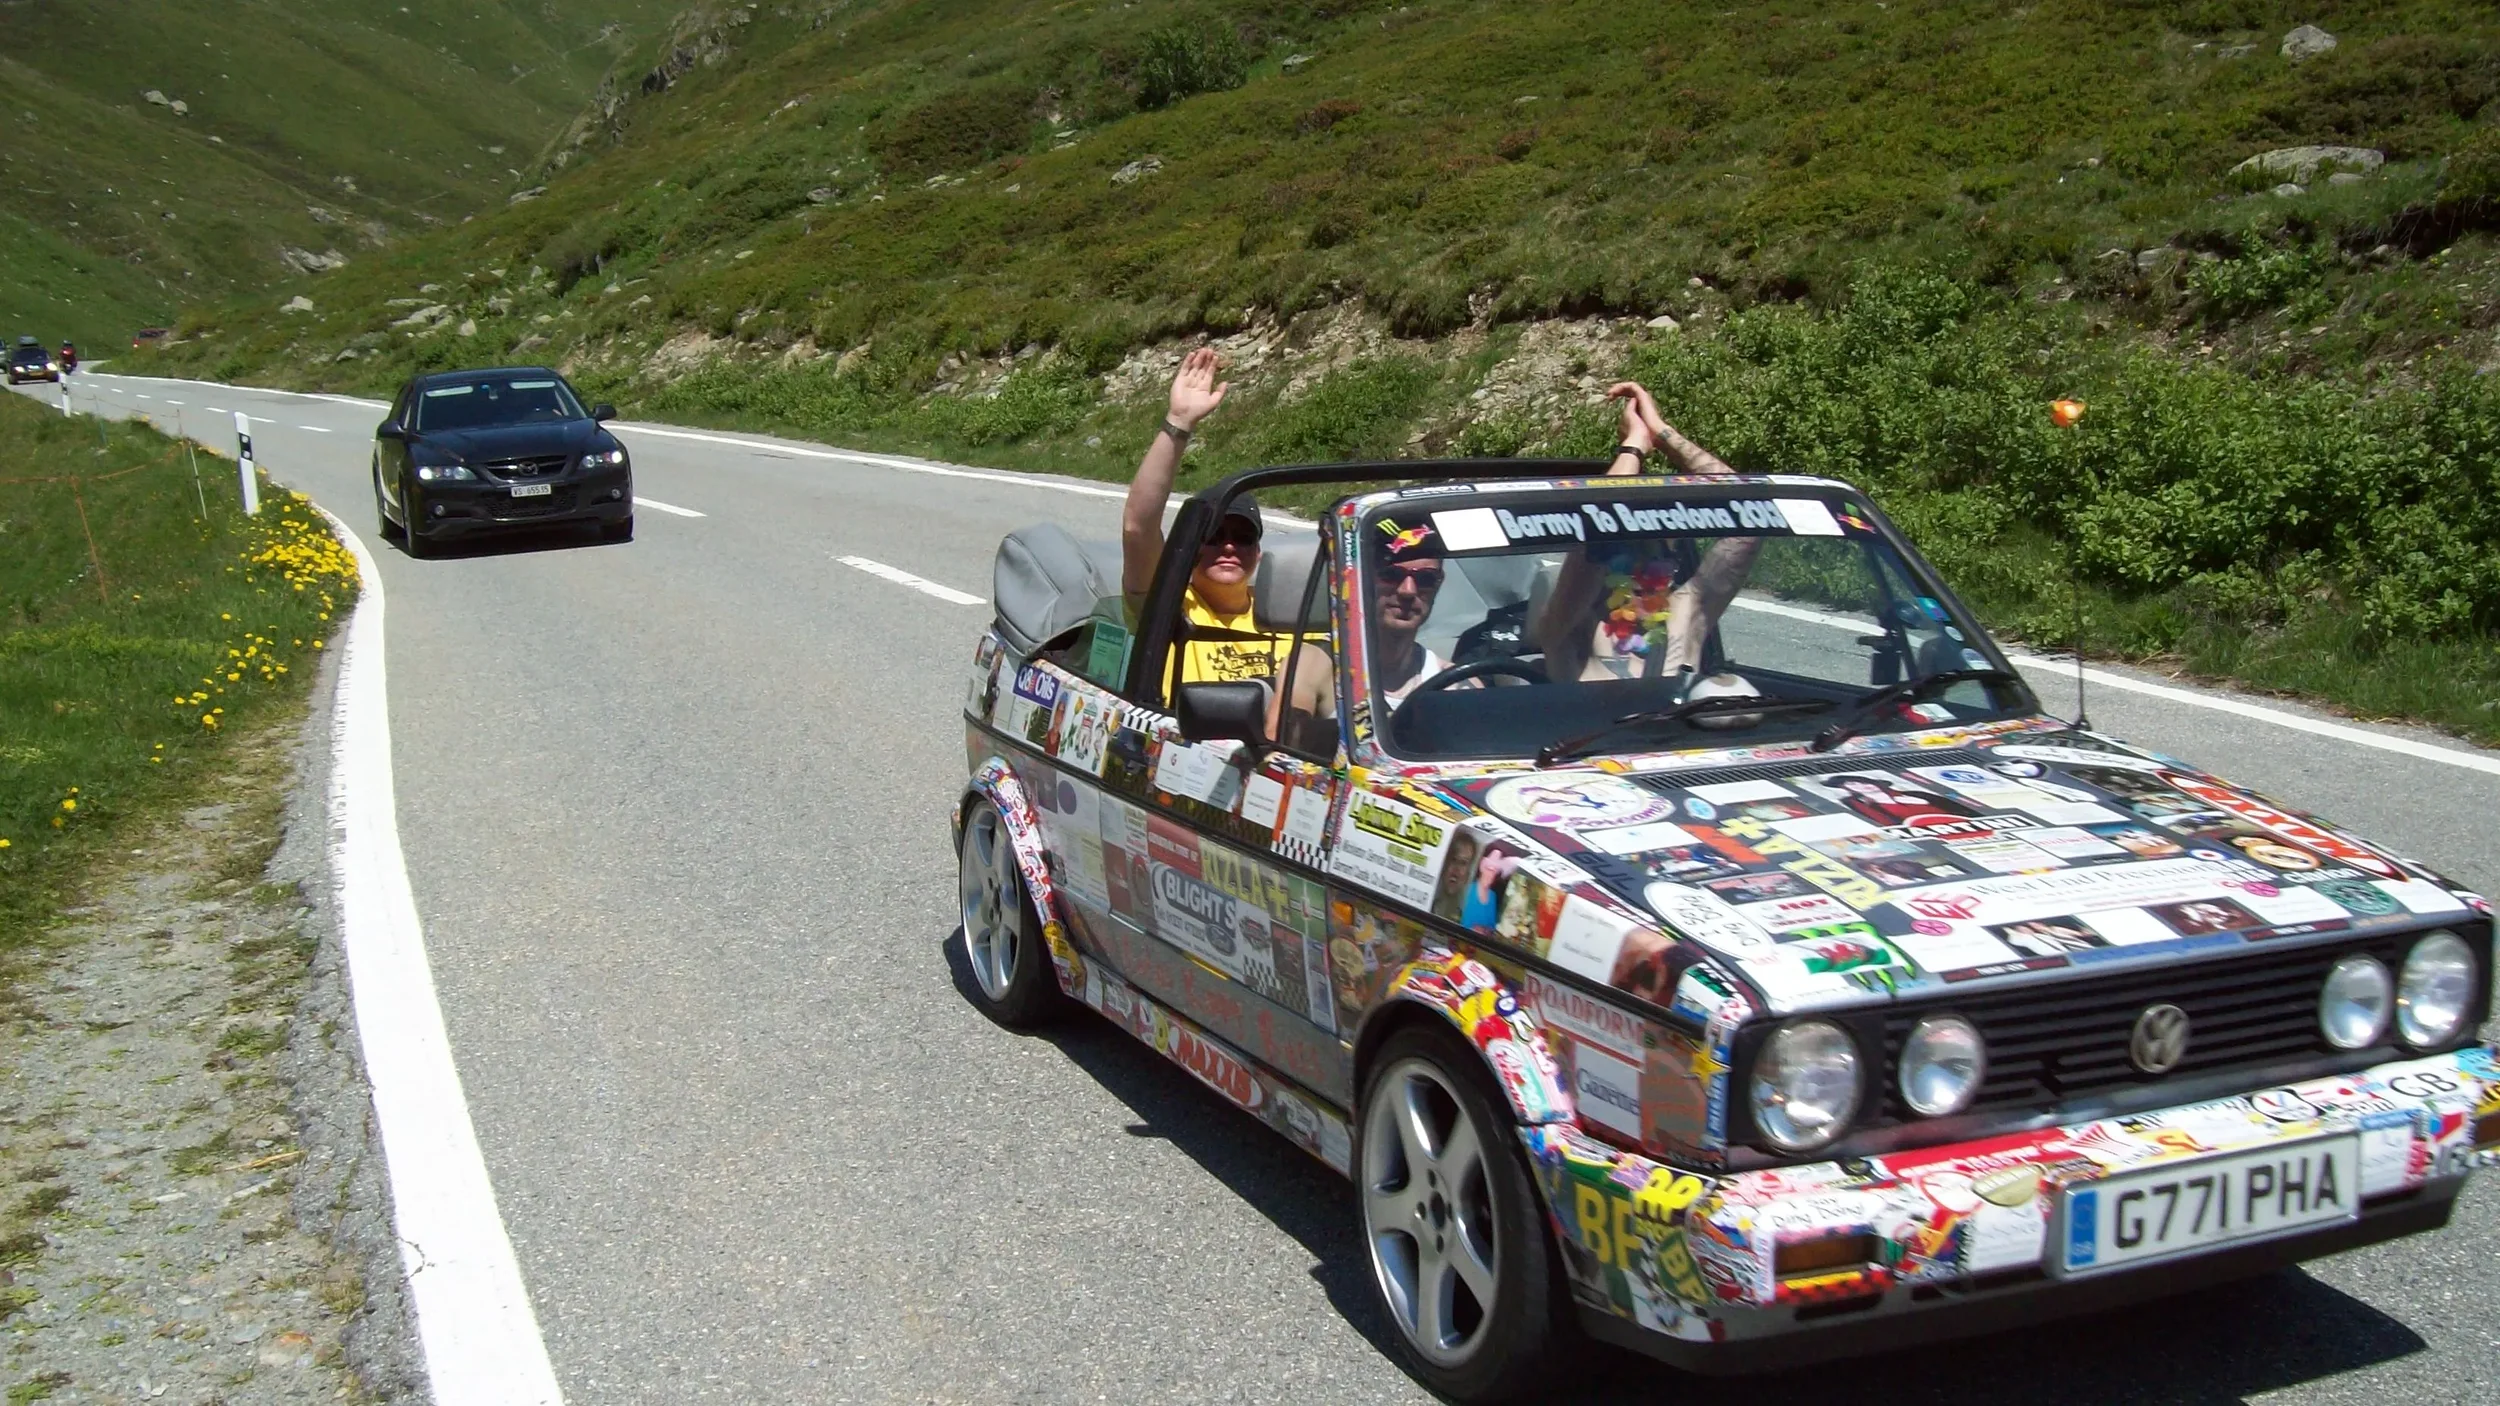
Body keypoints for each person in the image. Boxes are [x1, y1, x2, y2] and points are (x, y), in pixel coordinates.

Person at [1531, 382, 1764, 684]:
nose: (1641, 572)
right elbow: (1600, 520)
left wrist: (1661, 431)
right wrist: (1634, 446)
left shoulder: (1684, 615)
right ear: (1600, 570)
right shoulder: (1571, 630)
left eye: (1656, 560)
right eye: (1624, 560)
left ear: (1672, 567)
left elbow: (1750, 510)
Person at [1121, 347, 1294, 689]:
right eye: (1214, 535)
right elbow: (1138, 528)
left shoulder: (1291, 621)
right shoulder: (1168, 607)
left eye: (1243, 536)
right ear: (1190, 548)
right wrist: (1179, 423)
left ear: (1258, 552)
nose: (1229, 545)